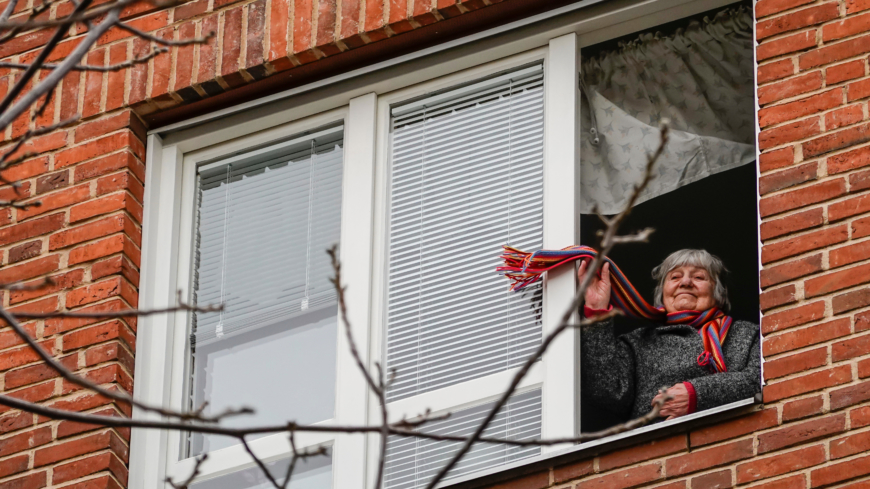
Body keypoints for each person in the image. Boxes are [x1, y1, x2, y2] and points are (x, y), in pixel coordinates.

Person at [578, 249, 760, 421]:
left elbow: (761, 379)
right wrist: (596, 309)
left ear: (718, 292)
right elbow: (606, 394)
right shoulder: (639, 341)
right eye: (675, 277)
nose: (686, 282)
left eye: (698, 277)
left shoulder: (746, 334)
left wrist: (697, 394)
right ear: (662, 293)